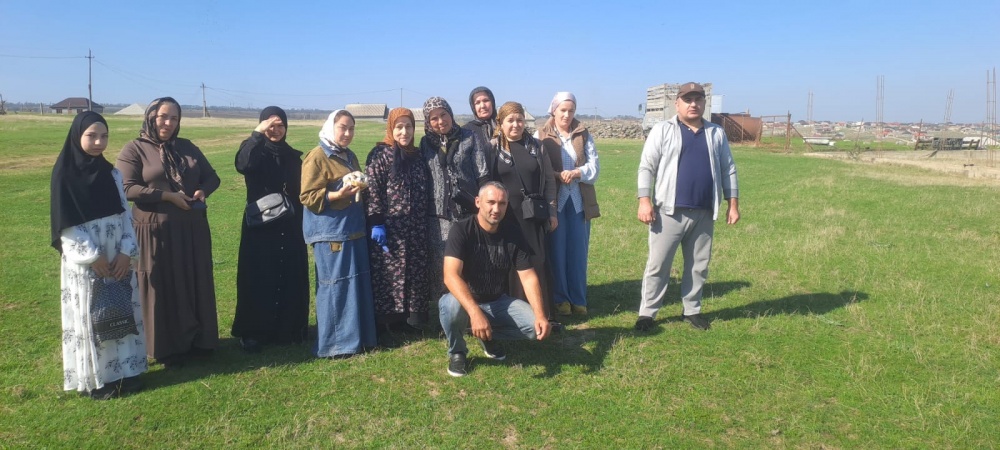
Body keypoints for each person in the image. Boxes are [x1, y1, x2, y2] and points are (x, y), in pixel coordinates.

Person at [116, 97, 221, 367]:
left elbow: (212, 177)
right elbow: (126, 187)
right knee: (162, 283)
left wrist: (202, 191)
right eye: (163, 117)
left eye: (174, 118)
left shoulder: (187, 147)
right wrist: (166, 196)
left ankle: (199, 340)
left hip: (191, 228)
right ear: (151, 116)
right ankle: (165, 346)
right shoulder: (135, 149)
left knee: (192, 279)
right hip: (154, 230)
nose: (168, 123)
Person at [51, 111, 147, 399]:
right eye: (91, 136)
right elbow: (66, 224)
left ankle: (128, 371)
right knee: (92, 314)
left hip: (117, 255)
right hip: (88, 261)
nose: (98, 142)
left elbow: (124, 214)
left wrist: (126, 252)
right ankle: (99, 380)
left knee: (121, 308)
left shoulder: (112, 174)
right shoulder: (65, 176)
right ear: (77, 136)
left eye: (104, 136)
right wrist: (94, 257)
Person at [635, 82, 740, 331]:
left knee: (698, 265)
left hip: (704, 211)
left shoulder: (716, 133)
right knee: (658, 265)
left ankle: (692, 310)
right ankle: (647, 314)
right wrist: (644, 201)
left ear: (704, 103)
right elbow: (647, 166)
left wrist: (732, 204)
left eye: (698, 99)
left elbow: (729, 169)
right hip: (668, 212)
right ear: (677, 104)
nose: (693, 104)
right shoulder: (662, 130)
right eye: (688, 100)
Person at [438, 182, 552, 377]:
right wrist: (475, 312)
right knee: (451, 306)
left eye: (502, 203)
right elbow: (450, 276)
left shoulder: (513, 233)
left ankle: (486, 335)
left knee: (535, 327)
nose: (496, 209)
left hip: (497, 301)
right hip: (463, 302)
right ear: (478, 202)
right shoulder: (461, 229)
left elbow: (528, 277)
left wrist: (541, 315)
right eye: (490, 202)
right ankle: (457, 351)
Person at [232, 106, 310, 353]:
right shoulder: (254, 152)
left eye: (280, 126)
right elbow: (243, 164)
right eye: (270, 125)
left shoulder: (293, 156)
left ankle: (289, 328)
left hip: (290, 225)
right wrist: (257, 134)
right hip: (261, 227)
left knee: (289, 274)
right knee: (259, 276)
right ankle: (255, 332)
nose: (275, 130)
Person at [300, 110, 377, 358]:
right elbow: (307, 197)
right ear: (331, 127)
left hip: (353, 229)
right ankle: (334, 345)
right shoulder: (317, 156)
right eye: (343, 127)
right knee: (335, 287)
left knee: (355, 285)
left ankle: (358, 339)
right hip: (331, 232)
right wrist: (337, 195)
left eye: (351, 128)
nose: (347, 133)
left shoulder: (349, 155)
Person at [365, 107, 433, 332]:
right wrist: (376, 222)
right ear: (391, 128)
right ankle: (389, 320)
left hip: (416, 228)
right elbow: (372, 190)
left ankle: (412, 318)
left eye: (409, 127)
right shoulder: (380, 155)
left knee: (415, 272)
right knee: (390, 272)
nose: (404, 132)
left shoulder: (418, 156)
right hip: (391, 228)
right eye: (399, 127)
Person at [491, 101, 558, 318]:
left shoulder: (537, 147)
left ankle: (542, 314)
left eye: (519, 120)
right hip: (505, 217)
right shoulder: (492, 148)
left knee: (537, 261)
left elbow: (549, 181)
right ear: (501, 123)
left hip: (533, 216)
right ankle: (512, 315)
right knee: (509, 265)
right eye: (510, 120)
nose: (515, 124)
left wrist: (552, 211)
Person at [536, 92, 600, 316]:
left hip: (579, 202)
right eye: (562, 110)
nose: (567, 114)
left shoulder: (583, 134)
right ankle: (560, 299)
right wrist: (556, 175)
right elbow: (538, 167)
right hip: (555, 202)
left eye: (571, 110)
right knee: (556, 251)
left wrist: (576, 172)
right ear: (553, 110)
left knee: (578, 251)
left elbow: (594, 168)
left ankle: (579, 298)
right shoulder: (541, 135)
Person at [419, 97, 490, 297]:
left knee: (469, 260)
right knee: (442, 264)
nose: (440, 121)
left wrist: (483, 206)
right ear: (428, 122)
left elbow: (482, 173)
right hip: (438, 217)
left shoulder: (469, 137)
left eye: (443, 115)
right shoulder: (425, 143)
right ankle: (446, 309)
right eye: (434, 118)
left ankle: (473, 306)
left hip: (467, 212)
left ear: (450, 114)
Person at [462, 86, 498, 171]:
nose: (482, 106)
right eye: (477, 103)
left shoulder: (504, 126)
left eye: (486, 100)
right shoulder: (465, 131)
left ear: (492, 102)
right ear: (473, 107)